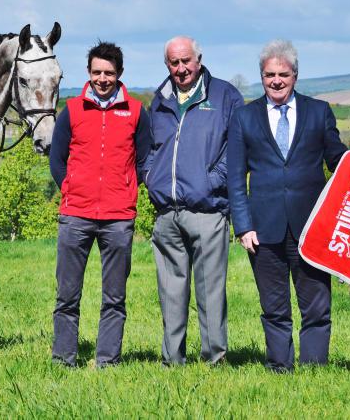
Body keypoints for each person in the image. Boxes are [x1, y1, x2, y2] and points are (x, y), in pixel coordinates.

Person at [227, 39, 348, 372]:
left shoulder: (319, 111)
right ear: (261, 76)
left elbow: (338, 159)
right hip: (262, 228)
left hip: (311, 227)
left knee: (316, 306)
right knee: (274, 305)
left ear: (295, 75)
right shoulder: (244, 117)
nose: (276, 81)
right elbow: (236, 177)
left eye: (283, 74)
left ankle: (313, 370)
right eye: (269, 75)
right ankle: (280, 368)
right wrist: (243, 225)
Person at [49, 41, 151, 368]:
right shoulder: (73, 110)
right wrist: (70, 187)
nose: (102, 79)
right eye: (97, 72)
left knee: (114, 298)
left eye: (109, 73)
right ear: (88, 73)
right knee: (67, 296)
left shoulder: (136, 112)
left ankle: (107, 361)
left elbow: (144, 159)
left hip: (118, 218)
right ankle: (63, 359)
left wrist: (126, 188)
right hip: (75, 215)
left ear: (119, 74)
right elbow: (57, 158)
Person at [144, 35, 243, 365]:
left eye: (187, 61)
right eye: (174, 62)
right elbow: (146, 149)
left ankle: (214, 359)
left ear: (199, 60)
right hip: (166, 213)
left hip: (208, 209)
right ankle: (172, 360)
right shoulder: (159, 101)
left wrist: (211, 183)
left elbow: (238, 150)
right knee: (171, 291)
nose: (181, 68)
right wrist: (151, 178)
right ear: (167, 65)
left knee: (210, 291)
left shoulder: (225, 96)